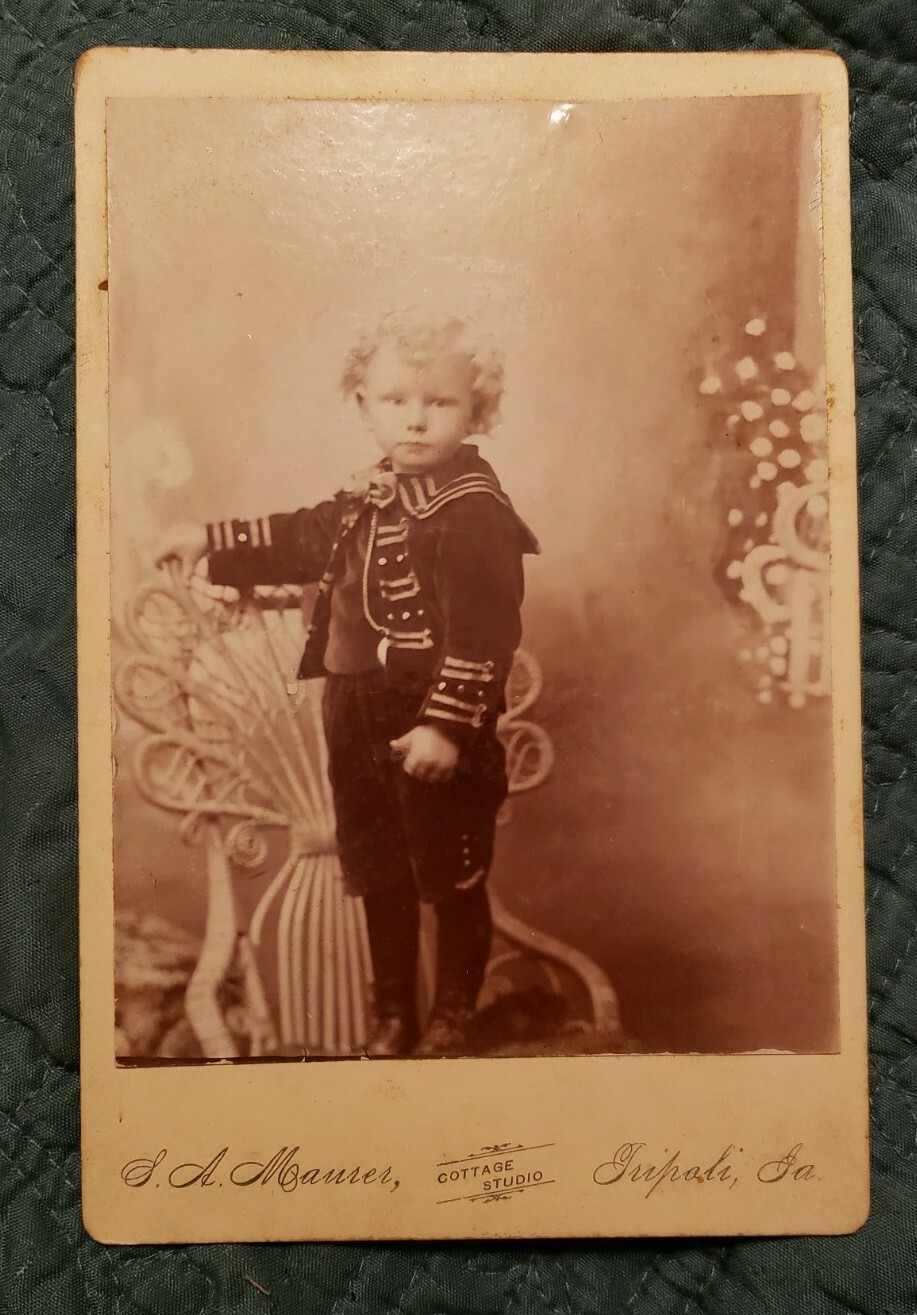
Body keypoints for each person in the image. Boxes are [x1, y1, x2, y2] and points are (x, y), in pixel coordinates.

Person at [156, 310, 539, 1057]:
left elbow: (485, 635)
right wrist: (211, 540)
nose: (417, 420)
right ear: (364, 404)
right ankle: (392, 1014)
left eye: (440, 403)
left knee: (448, 871)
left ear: (477, 411)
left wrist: (445, 726)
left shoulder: (472, 513)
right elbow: (302, 536)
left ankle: (452, 1017)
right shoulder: (370, 494)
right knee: (378, 865)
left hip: (430, 718)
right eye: (396, 401)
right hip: (354, 709)